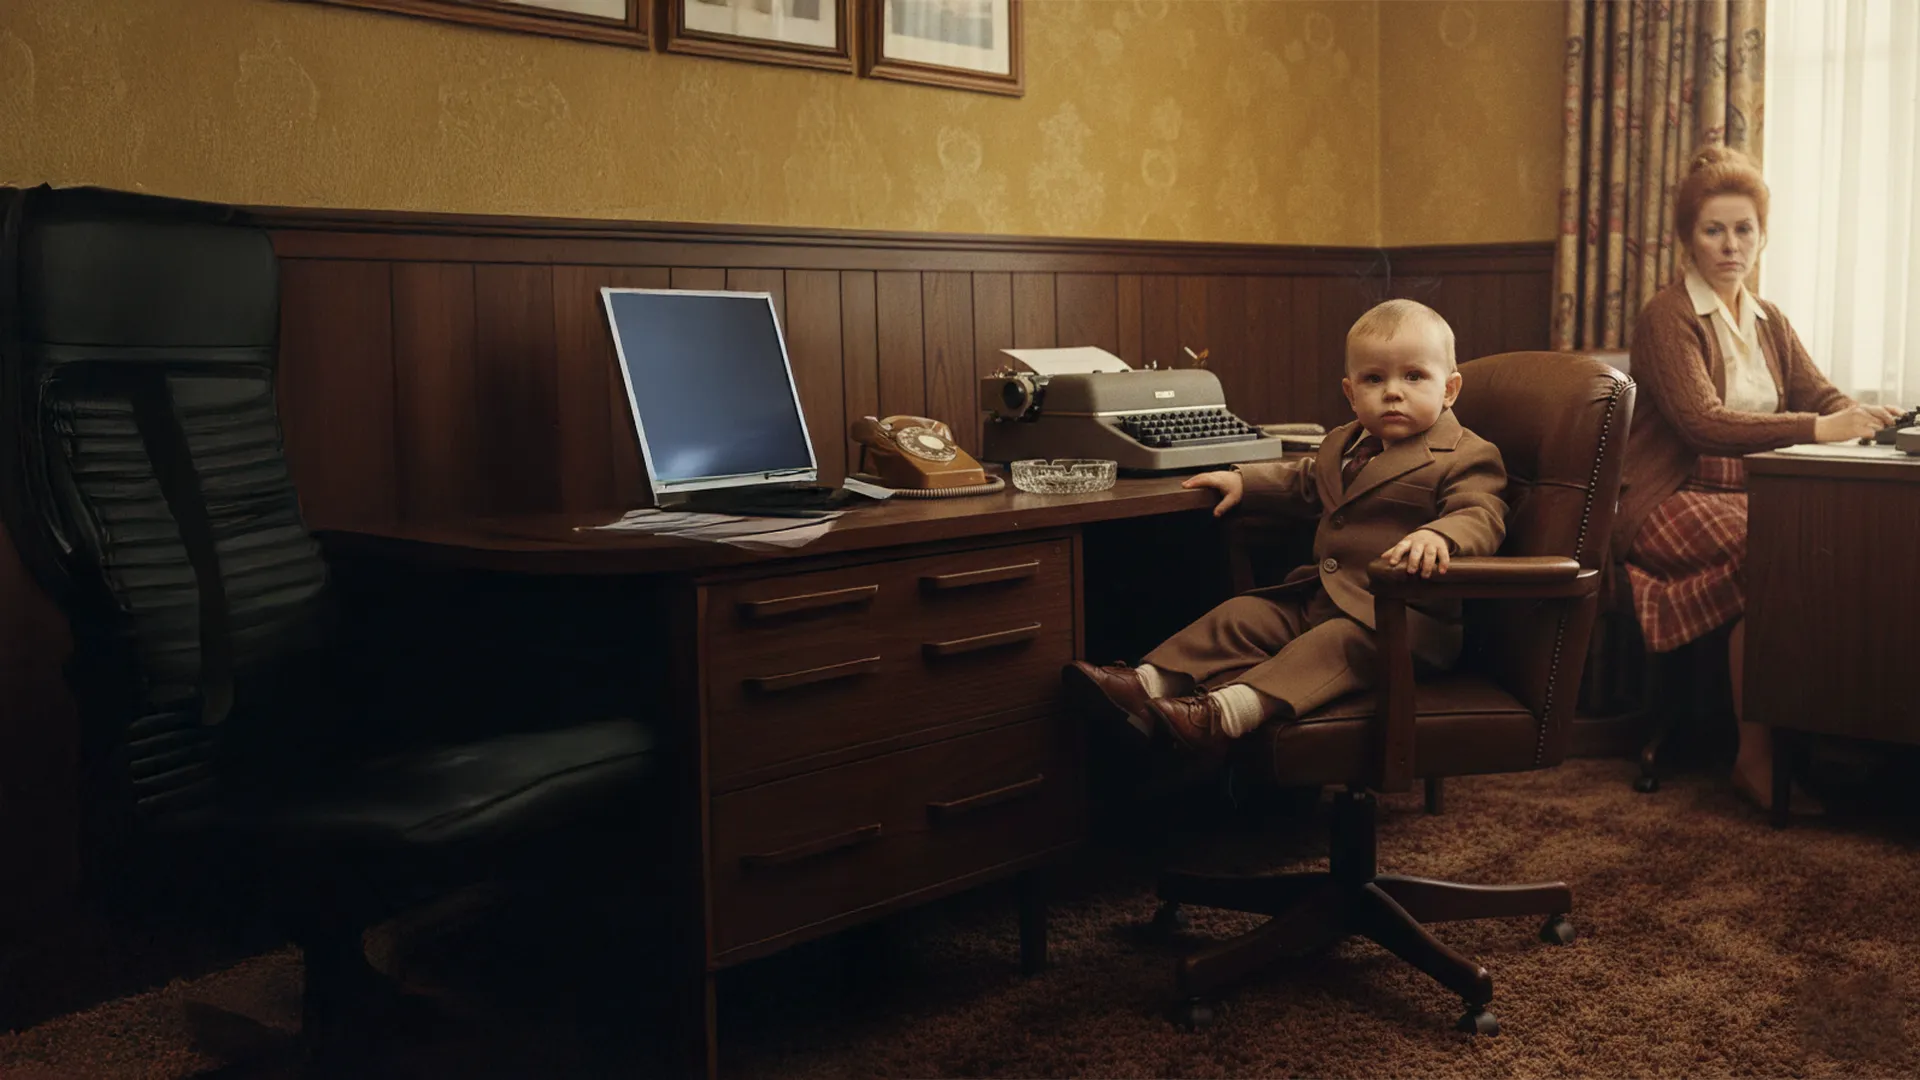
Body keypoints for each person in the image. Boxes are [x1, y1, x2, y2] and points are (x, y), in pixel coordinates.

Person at [1064, 299, 1508, 756]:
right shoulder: (1341, 443)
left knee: (1333, 645)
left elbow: (1482, 514)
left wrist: (1440, 535)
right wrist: (1244, 481)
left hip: (1400, 624)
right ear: (1351, 393)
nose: (1393, 391)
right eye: (1374, 379)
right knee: (1242, 615)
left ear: (1450, 389)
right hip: (1319, 598)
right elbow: (1305, 480)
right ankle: (1145, 683)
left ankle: (1221, 715)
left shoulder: (1466, 454)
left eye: (1414, 376)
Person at [1614, 145, 1901, 812]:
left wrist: (1865, 418)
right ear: (1688, 238)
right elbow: (1702, 424)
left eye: (1744, 229)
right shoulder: (1669, 316)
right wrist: (1816, 429)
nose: (1730, 245)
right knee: (1774, 550)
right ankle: (1755, 757)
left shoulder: (1769, 320)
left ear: (1763, 236)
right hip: (1670, 494)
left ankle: (1830, 741)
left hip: (1751, 490)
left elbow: (1821, 396)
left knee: (1833, 541)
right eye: (1713, 229)